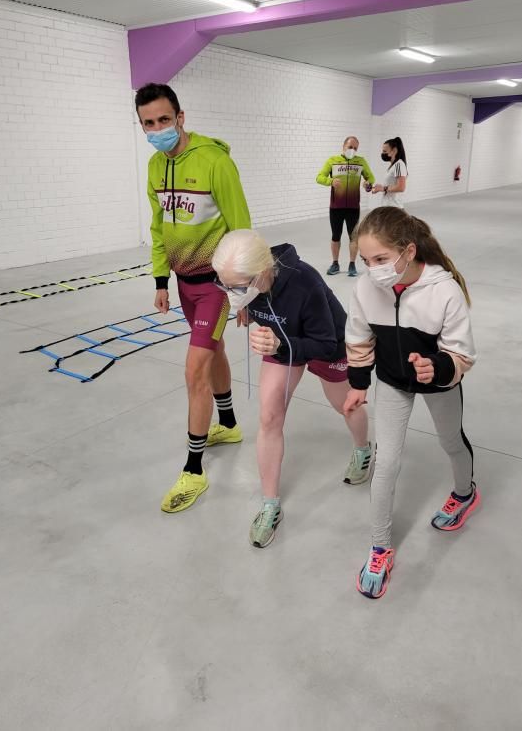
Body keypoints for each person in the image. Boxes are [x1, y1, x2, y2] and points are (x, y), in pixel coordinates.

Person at [343, 207, 479, 599]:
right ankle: (380, 547)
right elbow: (358, 337)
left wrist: (435, 367)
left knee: (451, 441)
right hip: (391, 382)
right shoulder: (367, 288)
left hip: (437, 382)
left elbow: (462, 353)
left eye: (381, 260)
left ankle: (465, 493)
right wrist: (357, 382)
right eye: (366, 261)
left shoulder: (445, 290)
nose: (373, 270)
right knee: (385, 461)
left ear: (409, 251)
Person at [212, 229, 372, 549]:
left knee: (345, 405)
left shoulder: (305, 283)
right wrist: (244, 304)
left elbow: (325, 345)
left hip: (327, 344)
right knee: (269, 418)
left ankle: (363, 449)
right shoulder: (247, 284)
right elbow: (246, 296)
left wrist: (279, 341)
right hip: (282, 345)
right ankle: (270, 505)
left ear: (262, 274)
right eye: (223, 285)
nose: (230, 294)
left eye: (237, 287)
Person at [136, 83, 251, 513]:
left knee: (193, 371)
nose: (157, 129)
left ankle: (194, 469)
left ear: (180, 117)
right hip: (183, 284)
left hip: (216, 286)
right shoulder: (153, 166)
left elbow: (241, 226)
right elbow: (158, 226)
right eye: (148, 123)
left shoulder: (214, 161)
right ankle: (230, 424)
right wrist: (161, 280)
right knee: (213, 351)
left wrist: (245, 293)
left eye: (164, 120)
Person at [316, 136, 375, 277]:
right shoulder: (332, 161)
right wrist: (330, 181)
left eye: (355, 148)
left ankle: (352, 264)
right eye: (350, 147)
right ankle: (335, 264)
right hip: (336, 207)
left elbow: (370, 178)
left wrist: (368, 184)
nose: (352, 150)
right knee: (336, 236)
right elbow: (319, 177)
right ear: (343, 146)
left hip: (353, 207)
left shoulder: (360, 162)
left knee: (353, 237)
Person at [369, 137, 408, 207]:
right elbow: (391, 185)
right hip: (387, 206)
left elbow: (401, 187)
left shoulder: (399, 164)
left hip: (394, 208)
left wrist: (382, 188)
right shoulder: (393, 166)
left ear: (394, 151)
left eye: (384, 151)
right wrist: (378, 188)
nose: (382, 153)